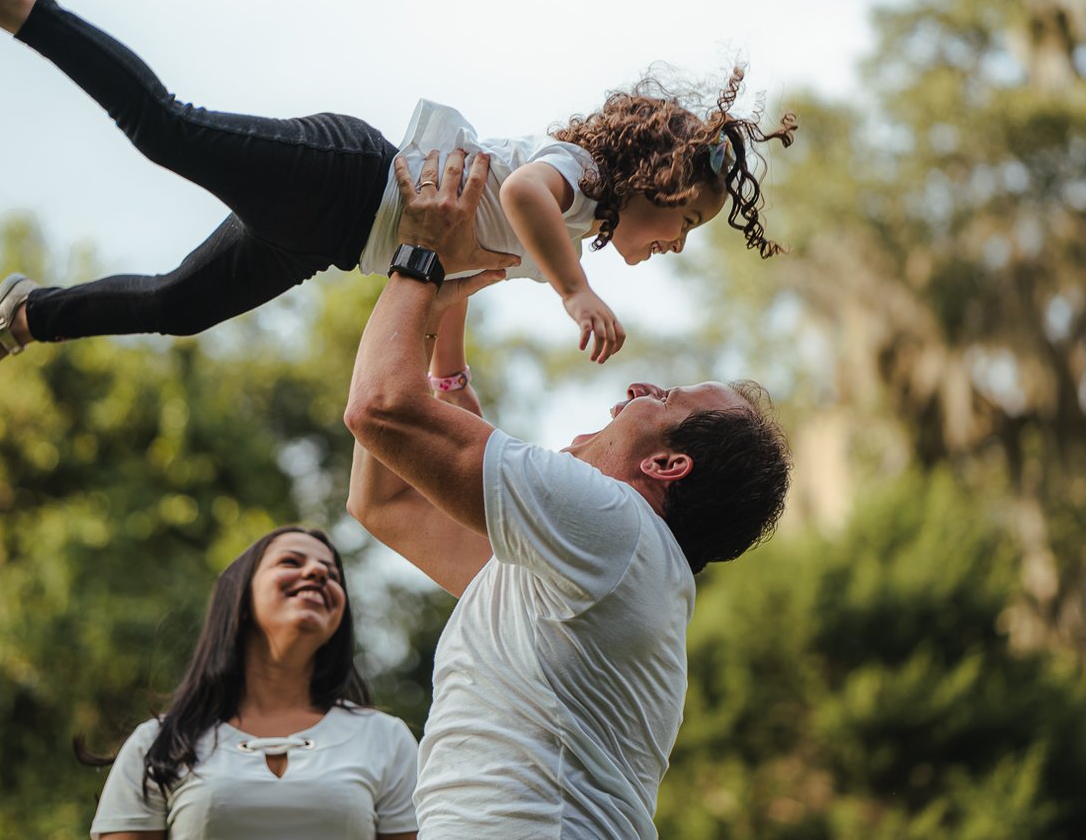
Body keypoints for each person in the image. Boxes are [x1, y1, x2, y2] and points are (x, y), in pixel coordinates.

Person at [0, 0, 796, 392]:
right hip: (349, 176)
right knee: (167, 129)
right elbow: (519, 193)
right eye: (683, 228)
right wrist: (574, 292)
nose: (673, 246)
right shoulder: (575, 177)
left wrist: (450, 377)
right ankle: (16, 1)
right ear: (659, 188)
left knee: (177, 306)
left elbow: (450, 284)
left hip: (331, 237)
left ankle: (27, 314)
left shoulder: (550, 237)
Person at [342, 150, 791, 839]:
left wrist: (423, 255)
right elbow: (392, 500)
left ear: (668, 464)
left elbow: (378, 408)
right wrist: (443, 300)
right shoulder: (601, 568)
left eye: (662, 397)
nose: (638, 388)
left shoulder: (616, 527)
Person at [86, 526, 419, 840]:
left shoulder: (387, 740)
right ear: (240, 598)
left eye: (332, 574)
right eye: (291, 561)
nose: (318, 573)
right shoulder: (157, 744)